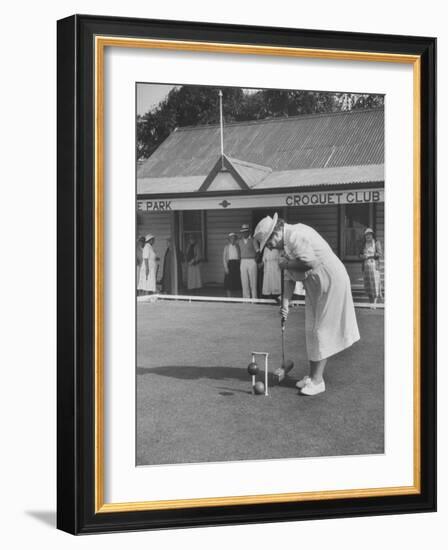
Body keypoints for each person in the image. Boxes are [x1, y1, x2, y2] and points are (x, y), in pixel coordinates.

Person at [254, 214, 360, 396]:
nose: (269, 248)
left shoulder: (295, 235)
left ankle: (318, 381)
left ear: (275, 234)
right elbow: (289, 278)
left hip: (332, 281)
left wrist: (286, 264)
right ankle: (311, 376)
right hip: (316, 286)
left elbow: (310, 262)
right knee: (311, 329)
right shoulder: (285, 246)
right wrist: (285, 305)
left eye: (268, 244)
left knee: (321, 330)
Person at [359, 227, 383, 308]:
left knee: (375, 284)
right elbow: (359, 255)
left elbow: (380, 254)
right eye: (366, 235)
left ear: (372, 235)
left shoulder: (376, 242)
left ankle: (375, 303)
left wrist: (371, 255)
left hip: (374, 266)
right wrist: (363, 256)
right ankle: (371, 302)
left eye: (369, 235)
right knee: (368, 284)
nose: (368, 237)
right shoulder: (363, 244)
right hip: (366, 266)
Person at [238, 223, 259, 299]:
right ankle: (246, 299)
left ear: (249, 232)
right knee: (244, 281)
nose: (244, 233)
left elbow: (258, 251)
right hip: (243, 261)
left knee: (253, 282)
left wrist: (255, 261)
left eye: (246, 232)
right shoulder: (239, 241)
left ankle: (254, 299)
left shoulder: (253, 240)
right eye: (243, 232)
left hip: (251, 261)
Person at [222, 232, 241, 297]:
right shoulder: (226, 247)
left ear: (235, 239)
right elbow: (224, 258)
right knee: (228, 283)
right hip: (229, 264)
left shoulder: (238, 246)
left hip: (236, 264)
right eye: (231, 238)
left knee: (237, 281)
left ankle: (236, 298)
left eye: (234, 238)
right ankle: (229, 298)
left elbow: (240, 256)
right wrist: (226, 267)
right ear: (229, 239)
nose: (233, 239)